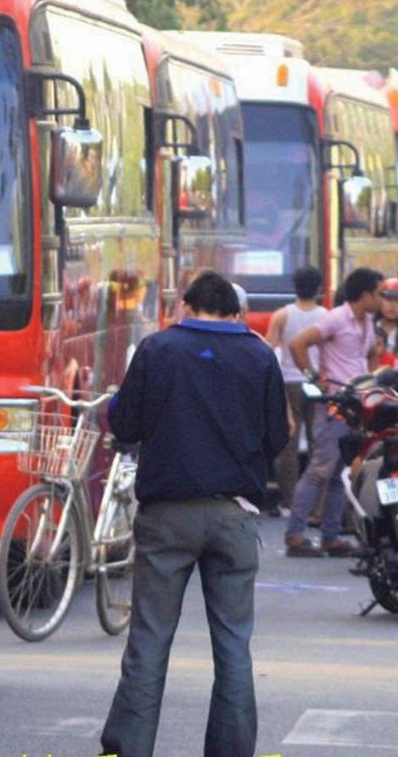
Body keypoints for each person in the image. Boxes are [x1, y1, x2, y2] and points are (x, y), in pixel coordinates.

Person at [100, 271, 286, 757]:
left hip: (167, 515)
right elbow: (278, 438)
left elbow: (124, 421)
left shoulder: (159, 350)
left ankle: (129, 748)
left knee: (149, 642)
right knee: (233, 646)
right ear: (234, 312)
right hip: (234, 516)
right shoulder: (259, 355)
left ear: (187, 306)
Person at [284, 267, 385, 557]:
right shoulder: (337, 318)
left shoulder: (366, 321)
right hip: (337, 403)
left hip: (359, 402)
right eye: (378, 293)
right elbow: (297, 343)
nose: (381, 299)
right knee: (320, 469)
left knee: (340, 471)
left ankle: (331, 536)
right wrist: (314, 375)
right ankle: (295, 534)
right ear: (365, 294)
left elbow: (367, 357)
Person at [265, 266, 331, 518]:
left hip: (288, 383)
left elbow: (270, 346)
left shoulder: (282, 315)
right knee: (319, 445)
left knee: (288, 446)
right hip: (317, 383)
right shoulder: (326, 315)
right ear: (318, 289)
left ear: (294, 287)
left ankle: (291, 501)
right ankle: (315, 504)